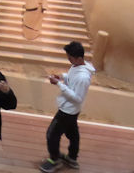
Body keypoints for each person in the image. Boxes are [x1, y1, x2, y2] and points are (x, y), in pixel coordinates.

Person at [39, 41, 95, 172]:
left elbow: (78, 98)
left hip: (68, 111)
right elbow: (71, 77)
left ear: (79, 58)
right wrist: (62, 77)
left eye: (70, 58)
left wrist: (59, 84)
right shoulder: (78, 66)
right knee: (72, 134)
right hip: (71, 110)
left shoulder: (83, 77)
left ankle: (55, 160)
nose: (69, 60)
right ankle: (72, 158)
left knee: (52, 134)